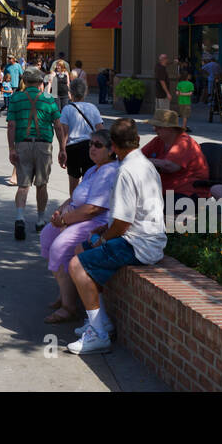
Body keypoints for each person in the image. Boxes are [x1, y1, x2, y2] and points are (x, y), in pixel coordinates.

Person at [65, 118, 167, 355]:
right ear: (138, 140)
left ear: (113, 147)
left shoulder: (125, 172)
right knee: (82, 249)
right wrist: (104, 230)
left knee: (76, 266)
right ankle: (100, 322)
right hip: (147, 238)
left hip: (137, 244)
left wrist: (103, 238)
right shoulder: (145, 163)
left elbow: (123, 223)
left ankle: (98, 335)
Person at [42, 127, 123, 326]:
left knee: (60, 247)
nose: (92, 148)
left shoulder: (110, 171)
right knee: (47, 236)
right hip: (75, 215)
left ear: (111, 150)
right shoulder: (92, 169)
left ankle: (69, 307)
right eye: (90, 144)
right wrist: (60, 212)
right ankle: (65, 292)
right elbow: (75, 196)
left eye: (98, 145)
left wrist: (65, 221)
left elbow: (93, 209)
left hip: (95, 221)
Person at [6, 66, 68, 239]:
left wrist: (11, 148)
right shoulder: (48, 99)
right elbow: (57, 124)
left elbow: (11, 125)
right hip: (43, 145)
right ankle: (40, 220)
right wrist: (62, 148)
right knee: (42, 184)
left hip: (23, 144)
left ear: (24, 82)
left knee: (23, 185)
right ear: (41, 83)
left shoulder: (16, 98)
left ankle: (20, 217)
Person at [142, 109, 209, 199]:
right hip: (165, 190)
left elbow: (170, 166)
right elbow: (137, 156)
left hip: (187, 193)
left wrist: (146, 160)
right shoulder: (158, 140)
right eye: (155, 126)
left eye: (158, 127)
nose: (154, 129)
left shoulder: (184, 142)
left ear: (170, 128)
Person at [60, 76, 104, 194]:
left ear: (70, 93)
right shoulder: (93, 108)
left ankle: (74, 204)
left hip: (72, 148)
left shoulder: (67, 109)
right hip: (89, 147)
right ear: (86, 92)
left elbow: (64, 133)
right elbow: (100, 130)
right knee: (89, 180)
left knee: (73, 181)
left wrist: (62, 150)